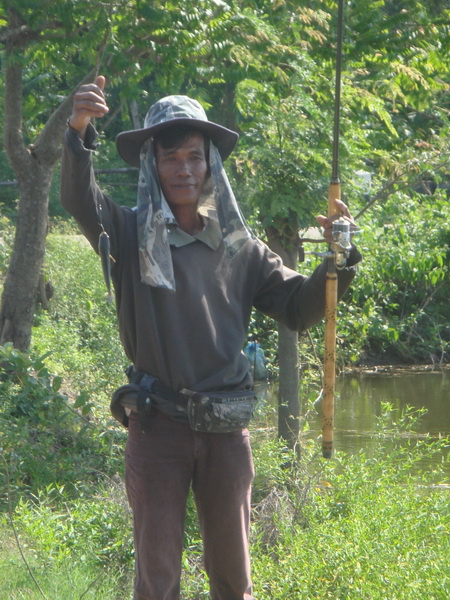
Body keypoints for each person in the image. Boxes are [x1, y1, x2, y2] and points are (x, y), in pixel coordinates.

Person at [60, 75, 361, 600]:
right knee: (158, 582)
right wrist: (79, 130)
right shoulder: (128, 235)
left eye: (194, 157)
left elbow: (298, 307)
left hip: (226, 432)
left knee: (233, 580)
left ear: (210, 166)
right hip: (157, 430)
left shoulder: (241, 249)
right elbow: (80, 199)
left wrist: (338, 259)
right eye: (170, 156)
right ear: (152, 164)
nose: (183, 168)